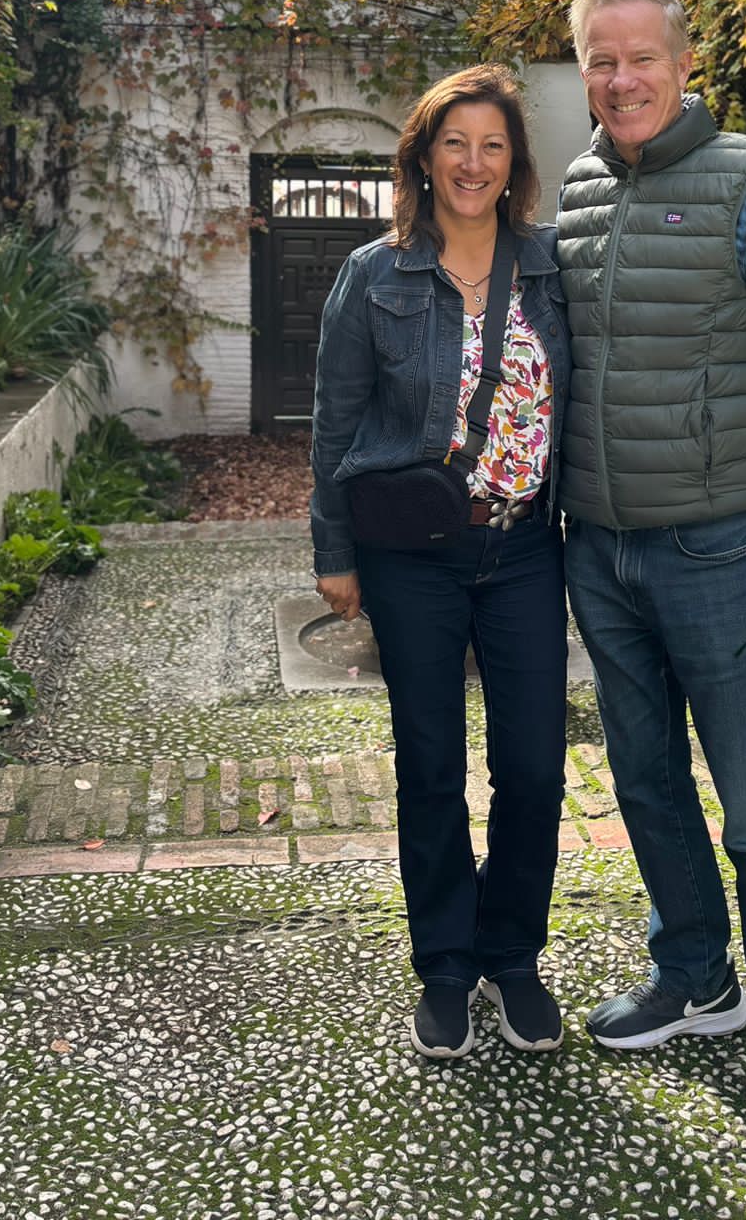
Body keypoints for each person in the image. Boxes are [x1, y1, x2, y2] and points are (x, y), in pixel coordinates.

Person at [555, 0, 746, 1169]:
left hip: (720, 548)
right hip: (600, 547)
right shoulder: (578, 190)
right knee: (644, 783)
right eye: (600, 58)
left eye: (641, 56)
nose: (620, 78)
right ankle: (694, 974)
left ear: (684, 64)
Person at [311, 65, 574, 1060]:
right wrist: (333, 551)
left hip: (525, 548)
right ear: (423, 156)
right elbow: (334, 420)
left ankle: (513, 955)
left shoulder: (548, 267)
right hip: (411, 556)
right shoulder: (372, 274)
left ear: (515, 162)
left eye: (492, 144)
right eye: (455, 142)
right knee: (430, 767)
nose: (473, 162)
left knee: (533, 768)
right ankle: (448, 968)